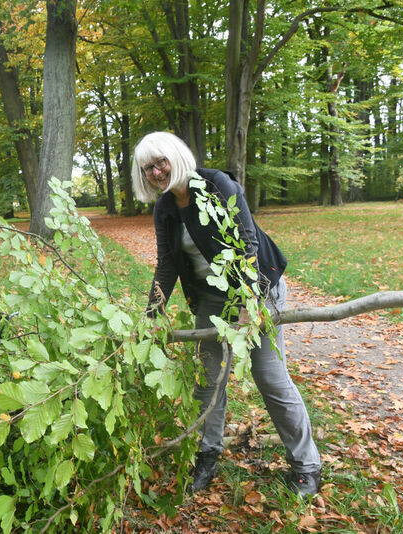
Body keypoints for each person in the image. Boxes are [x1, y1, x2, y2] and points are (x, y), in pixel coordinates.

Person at [132, 132, 322, 497]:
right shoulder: (165, 209)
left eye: (161, 162)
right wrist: (151, 316)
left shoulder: (217, 184)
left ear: (175, 156)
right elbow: (167, 264)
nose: (156, 172)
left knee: (269, 377)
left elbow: (248, 242)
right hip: (210, 298)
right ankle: (207, 455)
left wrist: (252, 302)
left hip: (257, 287)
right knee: (208, 381)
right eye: (148, 168)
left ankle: (307, 466)